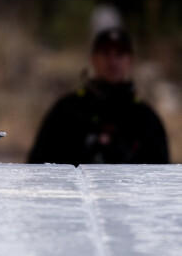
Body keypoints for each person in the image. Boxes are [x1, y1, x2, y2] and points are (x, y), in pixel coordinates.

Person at [28, 27, 169, 165]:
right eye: (106, 53)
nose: (113, 61)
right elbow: (37, 166)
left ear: (130, 60)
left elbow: (162, 176)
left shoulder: (145, 118)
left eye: (119, 54)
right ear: (93, 59)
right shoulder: (67, 110)